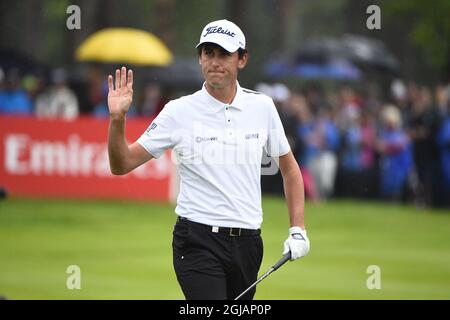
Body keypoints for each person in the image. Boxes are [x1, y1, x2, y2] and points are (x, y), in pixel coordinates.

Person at [107, 19, 310, 300]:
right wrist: (118, 119)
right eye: (208, 53)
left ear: (242, 59)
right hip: (197, 240)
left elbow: (290, 170)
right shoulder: (178, 111)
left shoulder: (262, 107)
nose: (215, 62)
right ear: (200, 57)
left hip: (248, 243)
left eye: (224, 54)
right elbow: (122, 164)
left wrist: (297, 228)